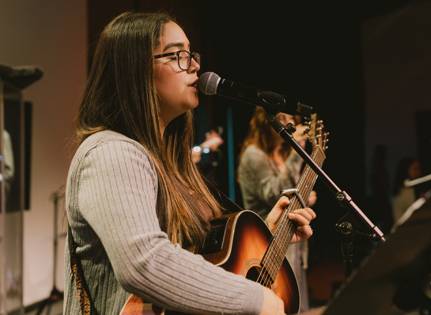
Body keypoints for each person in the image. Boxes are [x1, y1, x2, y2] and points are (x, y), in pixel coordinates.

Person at [64, 11, 316, 315]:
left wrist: (264, 238)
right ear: (134, 71)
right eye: (177, 55)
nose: (195, 65)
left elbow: (197, 259)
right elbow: (146, 264)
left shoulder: (168, 161)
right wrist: (256, 299)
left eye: (191, 54)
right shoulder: (110, 152)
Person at [238, 107, 317, 312]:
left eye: (292, 118)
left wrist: (304, 197)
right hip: (268, 238)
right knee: (279, 301)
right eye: (283, 119)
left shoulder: (280, 153)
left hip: (288, 235)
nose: (289, 123)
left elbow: (289, 193)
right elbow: (273, 193)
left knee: (296, 295)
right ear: (267, 123)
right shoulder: (253, 154)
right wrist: (298, 148)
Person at [392, 157, 422, 222]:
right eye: (415, 169)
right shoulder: (403, 192)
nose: (419, 172)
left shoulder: (415, 189)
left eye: (419, 169)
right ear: (406, 170)